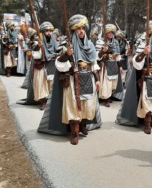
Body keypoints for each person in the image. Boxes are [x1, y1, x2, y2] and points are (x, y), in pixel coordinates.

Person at [51, 14, 101, 145]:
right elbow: (58, 64)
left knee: (87, 105)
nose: (81, 31)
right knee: (73, 106)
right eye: (78, 28)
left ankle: (83, 124)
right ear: (74, 30)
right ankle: (74, 132)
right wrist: (67, 55)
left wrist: (97, 79)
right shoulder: (67, 45)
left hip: (88, 77)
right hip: (74, 80)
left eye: (83, 28)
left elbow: (94, 63)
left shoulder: (90, 45)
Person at [116, 19, 152, 133]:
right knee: (147, 101)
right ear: (151, 33)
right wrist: (144, 53)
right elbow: (136, 63)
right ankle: (147, 123)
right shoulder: (144, 45)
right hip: (146, 78)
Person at [97, 24, 123, 107]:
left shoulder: (115, 42)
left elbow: (118, 56)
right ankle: (106, 99)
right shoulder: (101, 42)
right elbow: (97, 56)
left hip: (114, 64)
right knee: (106, 84)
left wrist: (120, 66)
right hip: (105, 64)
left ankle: (109, 96)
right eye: (109, 32)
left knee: (112, 84)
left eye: (112, 32)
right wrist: (103, 51)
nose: (110, 34)